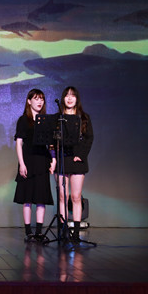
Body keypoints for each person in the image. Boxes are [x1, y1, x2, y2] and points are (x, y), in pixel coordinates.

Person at [13, 89, 56, 242]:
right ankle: (28, 232)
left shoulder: (46, 121)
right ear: (29, 101)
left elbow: (51, 144)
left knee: (40, 198)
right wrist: (22, 164)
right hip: (28, 160)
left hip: (42, 160)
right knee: (27, 198)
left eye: (42, 99)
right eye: (36, 98)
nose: (39, 102)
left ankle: (39, 232)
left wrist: (53, 160)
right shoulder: (23, 120)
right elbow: (19, 143)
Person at [56, 86, 93, 242]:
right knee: (62, 196)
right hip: (62, 159)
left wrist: (81, 155)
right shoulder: (58, 117)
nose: (70, 98)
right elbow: (52, 140)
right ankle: (63, 230)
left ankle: (76, 232)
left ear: (77, 99)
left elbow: (89, 138)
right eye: (67, 95)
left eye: (73, 95)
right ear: (63, 98)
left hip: (77, 160)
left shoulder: (84, 117)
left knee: (76, 197)